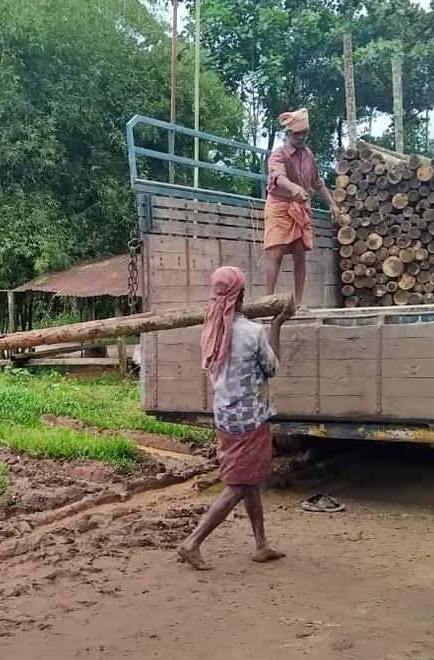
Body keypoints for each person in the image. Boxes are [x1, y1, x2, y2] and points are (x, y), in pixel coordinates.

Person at [177, 266, 292, 571]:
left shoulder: (211, 327)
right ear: (241, 295)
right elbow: (273, 368)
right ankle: (193, 541)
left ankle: (261, 544)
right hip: (250, 419)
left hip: (226, 416)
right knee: (239, 485)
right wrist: (277, 325)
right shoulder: (252, 332)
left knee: (248, 480)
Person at [264, 108, 340, 307]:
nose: (300, 137)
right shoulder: (278, 154)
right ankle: (267, 301)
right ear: (287, 134)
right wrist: (293, 187)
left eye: (303, 133)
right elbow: (277, 176)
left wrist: (332, 204)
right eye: (296, 133)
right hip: (279, 205)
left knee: (300, 251)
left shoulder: (308, 155)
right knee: (276, 251)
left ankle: (298, 302)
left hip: (300, 206)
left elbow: (317, 182)